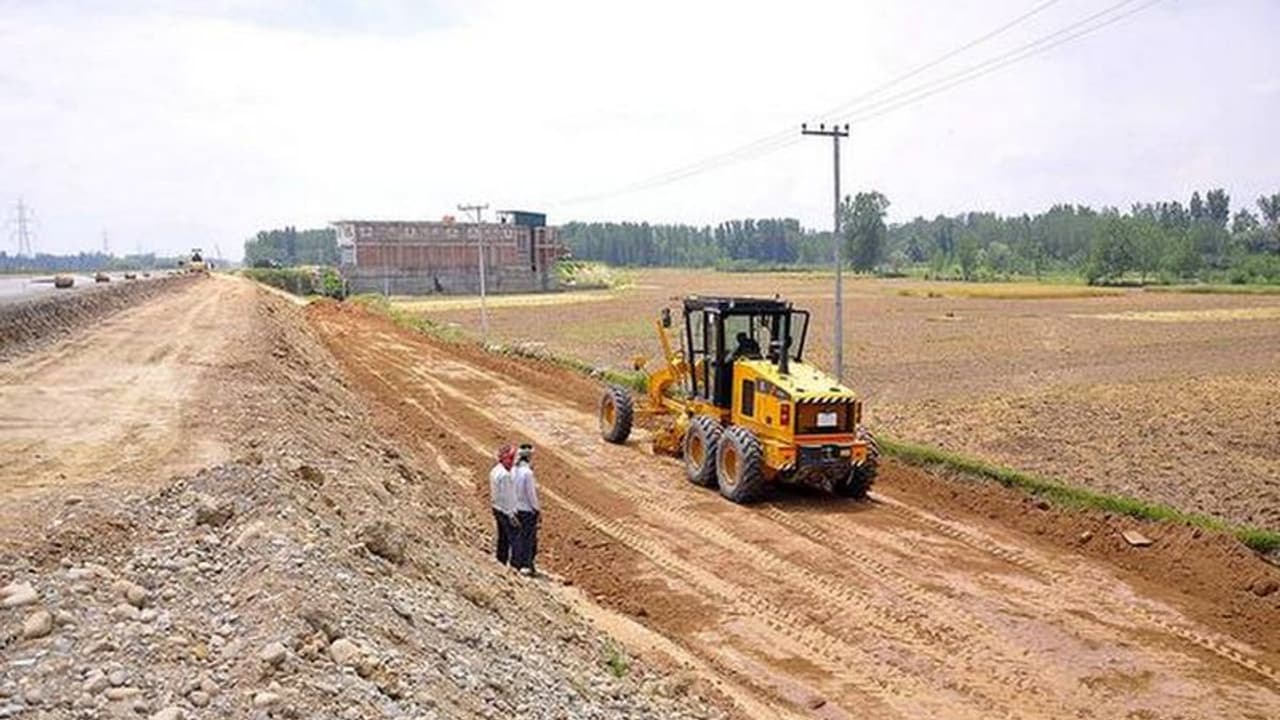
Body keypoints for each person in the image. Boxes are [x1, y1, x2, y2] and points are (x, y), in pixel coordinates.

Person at [511, 443, 540, 576]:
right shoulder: (527, 473)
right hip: (527, 510)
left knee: (518, 537)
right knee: (529, 539)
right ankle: (527, 564)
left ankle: (516, 563)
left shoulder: (513, 471)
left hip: (515, 508)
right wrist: (537, 509)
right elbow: (531, 494)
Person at [488, 444, 517, 566]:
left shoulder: (495, 470)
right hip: (505, 511)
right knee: (514, 539)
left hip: (497, 508)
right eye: (510, 459)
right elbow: (508, 497)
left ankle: (501, 560)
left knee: (503, 538)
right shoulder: (505, 476)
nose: (512, 462)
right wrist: (512, 514)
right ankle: (515, 564)